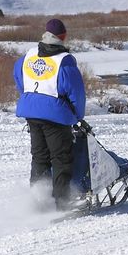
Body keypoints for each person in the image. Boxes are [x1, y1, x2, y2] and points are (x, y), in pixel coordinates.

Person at [13, 18, 86, 211]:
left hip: (31, 112)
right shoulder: (63, 62)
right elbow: (76, 92)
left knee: (39, 157)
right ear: (63, 37)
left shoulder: (29, 56)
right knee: (61, 158)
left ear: (45, 34)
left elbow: (19, 76)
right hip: (55, 116)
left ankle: (38, 200)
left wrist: (30, 98)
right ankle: (62, 202)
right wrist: (78, 116)